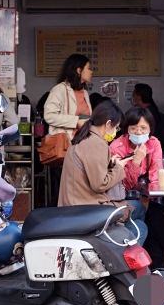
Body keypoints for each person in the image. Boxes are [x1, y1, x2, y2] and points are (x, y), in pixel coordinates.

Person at [59, 101, 147, 245]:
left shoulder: (82, 138)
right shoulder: (97, 143)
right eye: (116, 127)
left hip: (74, 205)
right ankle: (124, 252)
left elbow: (88, 171)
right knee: (140, 215)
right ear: (108, 124)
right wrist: (118, 168)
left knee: (137, 220)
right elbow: (100, 184)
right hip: (88, 209)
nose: (115, 132)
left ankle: (122, 238)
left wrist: (111, 164)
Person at [109, 106, 164, 267]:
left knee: (151, 218)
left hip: (146, 197)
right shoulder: (117, 147)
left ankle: (157, 264)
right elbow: (123, 184)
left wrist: (146, 197)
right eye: (134, 128)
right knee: (152, 217)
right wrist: (136, 162)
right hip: (121, 198)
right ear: (126, 129)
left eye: (143, 128)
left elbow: (155, 177)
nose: (138, 132)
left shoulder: (153, 144)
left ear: (150, 129)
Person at [44, 53, 94, 204]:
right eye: (88, 68)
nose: (91, 71)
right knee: (63, 192)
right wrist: (75, 122)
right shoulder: (60, 90)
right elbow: (49, 115)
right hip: (66, 147)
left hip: (83, 149)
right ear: (79, 70)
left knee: (79, 192)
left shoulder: (84, 92)